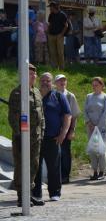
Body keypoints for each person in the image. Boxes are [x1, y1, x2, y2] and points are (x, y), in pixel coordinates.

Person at [9, 64, 45, 207]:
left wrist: (42, 131)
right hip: (22, 137)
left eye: (34, 74)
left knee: (34, 165)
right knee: (21, 166)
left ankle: (29, 194)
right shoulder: (17, 93)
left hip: (35, 136)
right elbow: (12, 117)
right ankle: (20, 196)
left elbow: (41, 115)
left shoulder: (36, 92)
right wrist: (18, 134)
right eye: (30, 74)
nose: (33, 76)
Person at [34, 72, 72, 202]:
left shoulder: (58, 96)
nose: (45, 83)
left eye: (48, 81)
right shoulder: (34, 95)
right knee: (35, 167)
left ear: (52, 83)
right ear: (39, 81)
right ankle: (36, 194)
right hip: (36, 138)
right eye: (43, 80)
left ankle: (54, 193)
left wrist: (63, 134)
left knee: (54, 167)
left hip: (53, 138)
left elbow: (68, 115)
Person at [54, 74, 80, 184]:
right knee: (54, 153)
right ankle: (56, 175)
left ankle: (65, 176)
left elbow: (74, 115)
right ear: (55, 83)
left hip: (67, 129)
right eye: (60, 81)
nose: (62, 82)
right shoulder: (53, 94)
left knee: (65, 153)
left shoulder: (70, 96)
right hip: (54, 128)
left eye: (64, 80)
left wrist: (72, 130)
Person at [84, 77, 106, 181]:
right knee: (93, 150)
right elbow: (85, 111)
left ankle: (102, 171)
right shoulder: (88, 96)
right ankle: (94, 171)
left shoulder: (105, 97)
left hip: (101, 127)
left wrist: (98, 126)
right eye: (93, 85)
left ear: (102, 86)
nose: (94, 87)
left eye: (97, 85)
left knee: (101, 149)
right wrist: (89, 122)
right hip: (90, 127)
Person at [47, 2, 69, 70]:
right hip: (51, 35)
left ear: (54, 7)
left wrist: (61, 34)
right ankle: (54, 67)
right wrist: (48, 33)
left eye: (50, 7)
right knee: (52, 52)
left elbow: (66, 25)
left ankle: (62, 68)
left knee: (60, 52)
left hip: (59, 36)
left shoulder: (62, 15)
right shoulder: (51, 15)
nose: (50, 9)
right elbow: (50, 25)